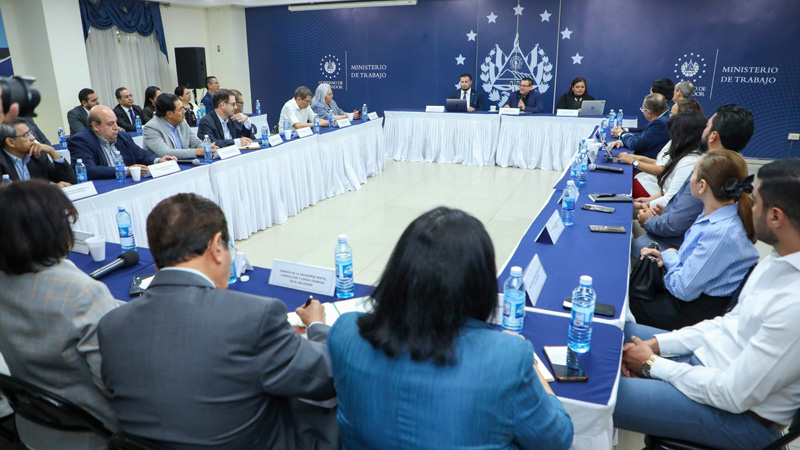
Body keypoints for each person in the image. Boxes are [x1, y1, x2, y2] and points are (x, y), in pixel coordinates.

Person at [97, 193, 335, 448]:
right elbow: (328, 376)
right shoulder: (254, 317)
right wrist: (317, 327)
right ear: (217, 246)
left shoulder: (111, 325)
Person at [328, 207, 573, 450]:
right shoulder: (509, 358)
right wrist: (531, 365)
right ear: (480, 284)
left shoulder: (345, 333)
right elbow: (557, 439)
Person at [614, 158, 800, 450]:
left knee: (604, 393)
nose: (749, 207)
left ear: (775, 217)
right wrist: (657, 345)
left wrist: (652, 364)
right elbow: (726, 324)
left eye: (757, 203)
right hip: (709, 366)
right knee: (614, 332)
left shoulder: (794, 305)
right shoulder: (777, 261)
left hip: (739, 417)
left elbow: (732, 394)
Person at [0, 181, 119, 450]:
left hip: (35, 426)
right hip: (93, 433)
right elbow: (115, 383)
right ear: (50, 229)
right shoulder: (82, 293)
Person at [630, 149, 759, 330]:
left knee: (624, 303)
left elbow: (683, 289)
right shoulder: (716, 214)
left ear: (702, 186)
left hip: (692, 311)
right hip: (690, 296)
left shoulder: (722, 232)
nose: (689, 178)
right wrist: (669, 256)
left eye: (693, 173)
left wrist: (668, 256)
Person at [632, 104, 755, 256]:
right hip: (683, 239)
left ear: (713, 135)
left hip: (676, 246)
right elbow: (687, 215)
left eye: (707, 126)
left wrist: (649, 220)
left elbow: (675, 225)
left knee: (631, 244)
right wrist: (669, 212)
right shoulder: (735, 166)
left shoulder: (708, 171)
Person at [623, 99, 704, 198]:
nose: (669, 117)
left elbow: (661, 170)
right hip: (657, 187)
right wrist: (639, 158)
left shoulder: (688, 154)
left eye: (672, 114)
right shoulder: (677, 139)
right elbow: (663, 163)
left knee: (623, 184)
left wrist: (633, 162)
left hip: (656, 187)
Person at [69, 105, 175, 180]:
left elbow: (140, 154)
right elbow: (89, 170)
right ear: (95, 126)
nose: (116, 127)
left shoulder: (122, 136)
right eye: (110, 124)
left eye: (116, 122)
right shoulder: (80, 141)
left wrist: (158, 160)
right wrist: (125, 170)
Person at [0, 118, 76, 186]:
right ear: (10, 142)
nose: (33, 138)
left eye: (30, 133)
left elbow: (70, 181)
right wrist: (50, 191)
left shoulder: (37, 155)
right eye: (26, 135)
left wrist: (52, 152)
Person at [143, 93, 216, 159]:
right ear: (169, 114)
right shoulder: (151, 128)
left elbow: (196, 143)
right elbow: (166, 153)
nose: (184, 111)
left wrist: (208, 148)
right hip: (165, 169)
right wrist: (198, 152)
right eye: (180, 109)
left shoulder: (182, 122)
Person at [610, 93, 670, 159]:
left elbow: (636, 145)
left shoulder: (660, 123)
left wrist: (621, 133)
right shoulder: (665, 117)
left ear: (649, 112)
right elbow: (644, 134)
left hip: (647, 162)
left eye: (642, 109)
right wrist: (621, 141)